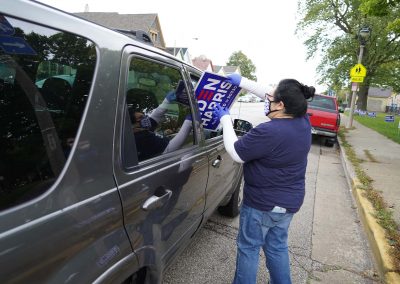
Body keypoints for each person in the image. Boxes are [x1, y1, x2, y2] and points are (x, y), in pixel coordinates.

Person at [212, 74, 315, 284]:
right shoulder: (302, 121)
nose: (266, 99)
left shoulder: (269, 131)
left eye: (271, 98)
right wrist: (242, 82)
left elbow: (236, 153)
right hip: (289, 203)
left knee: (249, 248)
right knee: (277, 247)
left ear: (281, 105)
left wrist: (225, 119)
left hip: (262, 205)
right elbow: (269, 93)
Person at [129, 89, 193, 161]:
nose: (145, 118)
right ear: (131, 125)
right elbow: (168, 149)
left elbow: (155, 116)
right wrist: (188, 123)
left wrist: (167, 101)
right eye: (140, 118)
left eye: (143, 115)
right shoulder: (140, 138)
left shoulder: (140, 129)